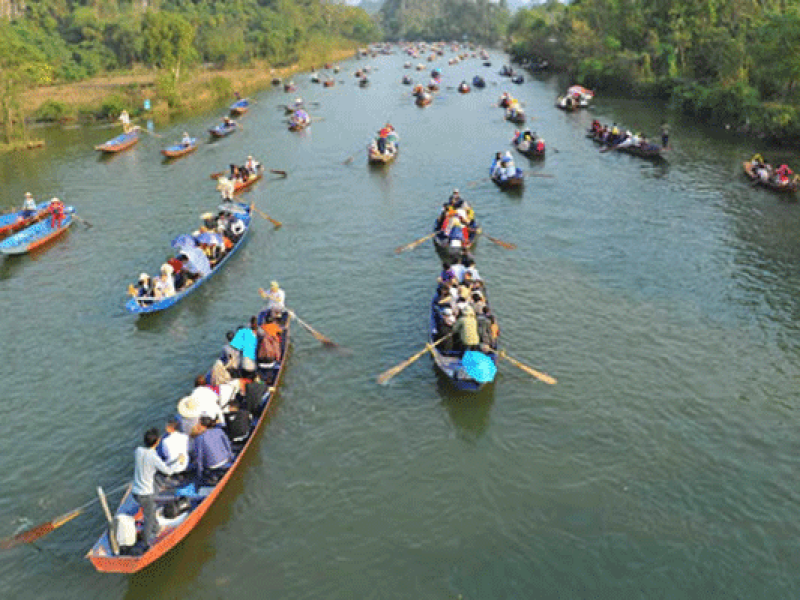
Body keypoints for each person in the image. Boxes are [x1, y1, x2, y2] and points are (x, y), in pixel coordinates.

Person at [132, 427, 184, 548]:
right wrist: (178, 461)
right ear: (157, 441)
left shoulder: (138, 451)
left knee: (149, 511)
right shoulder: (154, 458)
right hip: (146, 494)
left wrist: (174, 460)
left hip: (135, 492)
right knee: (148, 518)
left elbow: (156, 464)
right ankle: (145, 543)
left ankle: (156, 528)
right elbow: (168, 471)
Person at [191, 416, 234, 485]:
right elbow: (228, 445)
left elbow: (199, 458)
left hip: (212, 465)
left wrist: (199, 474)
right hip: (226, 460)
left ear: (202, 425)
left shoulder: (198, 438)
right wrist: (231, 457)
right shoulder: (219, 430)